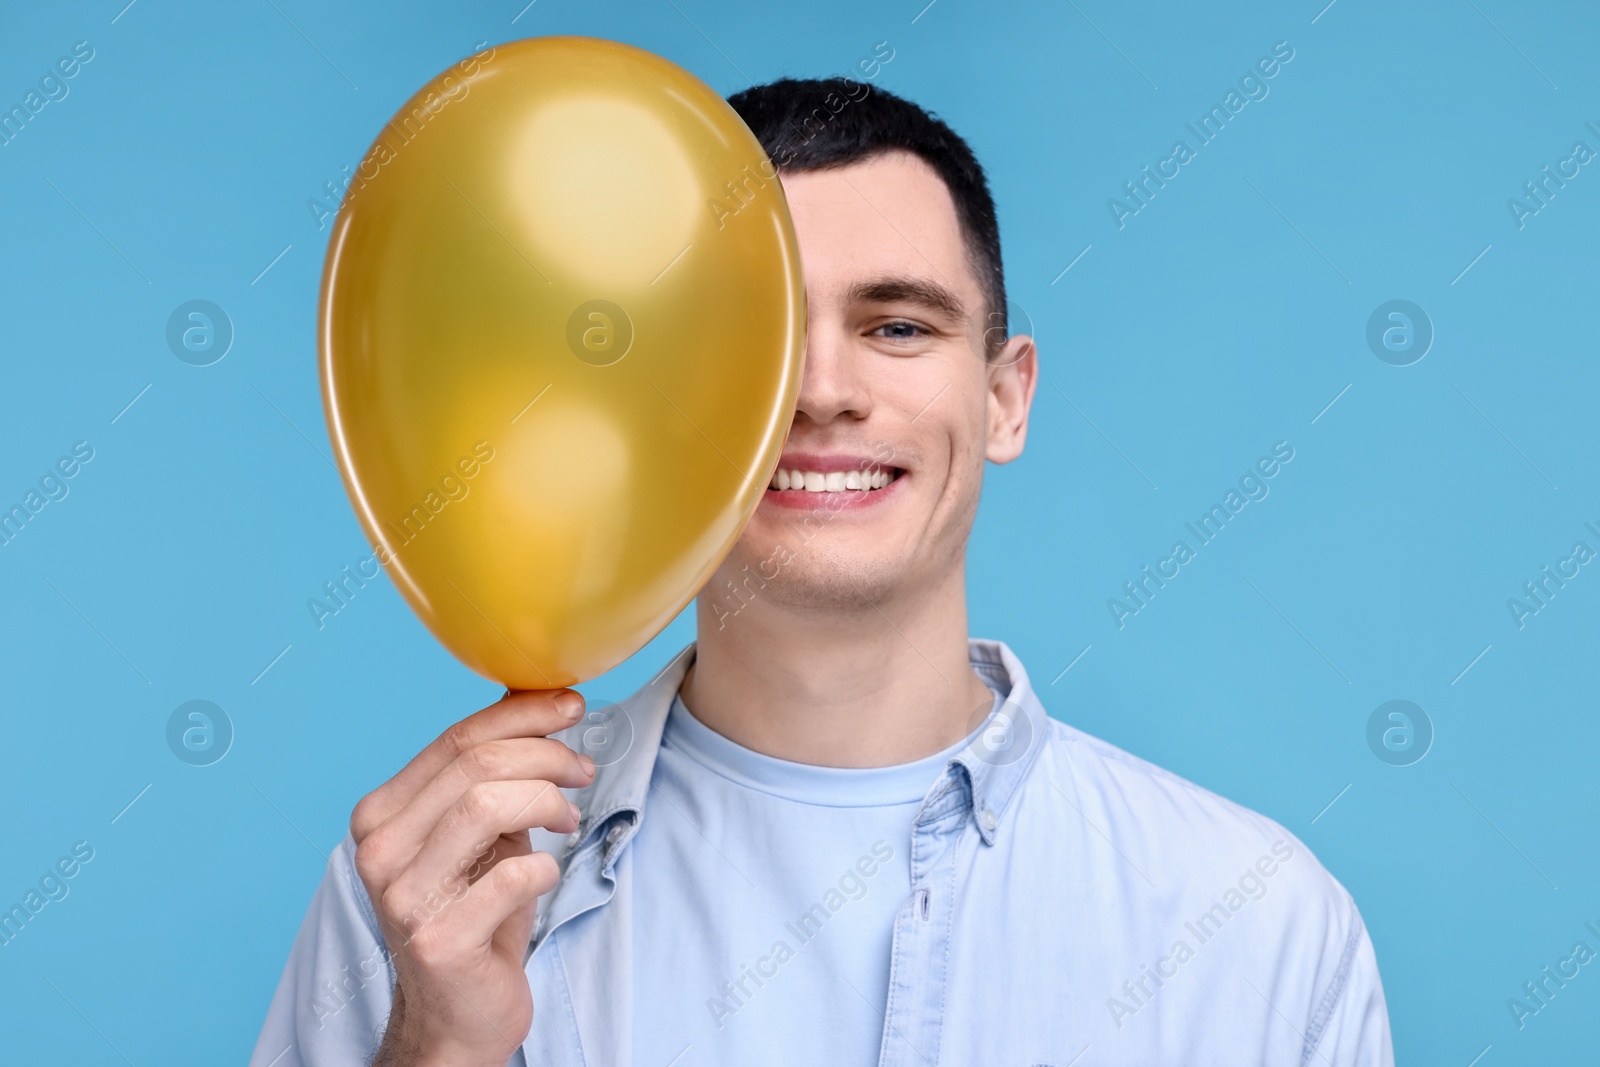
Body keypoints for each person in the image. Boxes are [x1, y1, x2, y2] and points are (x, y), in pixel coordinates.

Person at [252, 76, 1393, 1067]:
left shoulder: (1255, 919)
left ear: (1004, 398)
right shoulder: (437, 887)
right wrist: (439, 1043)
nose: (820, 391)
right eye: (747, 330)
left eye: (898, 326)